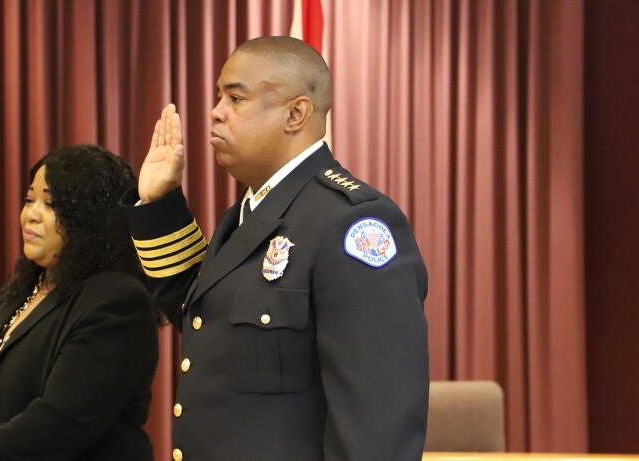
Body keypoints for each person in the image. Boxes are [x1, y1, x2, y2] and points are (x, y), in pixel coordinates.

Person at [120, 36, 429, 460]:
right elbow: (202, 312)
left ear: (295, 114)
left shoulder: (351, 224)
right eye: (218, 96)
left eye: (235, 97)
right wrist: (160, 204)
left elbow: (377, 427)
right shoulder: (254, 209)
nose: (216, 112)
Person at [0, 144, 159, 460]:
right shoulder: (14, 295)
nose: (31, 214)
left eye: (51, 204)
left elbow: (59, 423)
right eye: (30, 200)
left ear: (91, 218)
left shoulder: (117, 301)